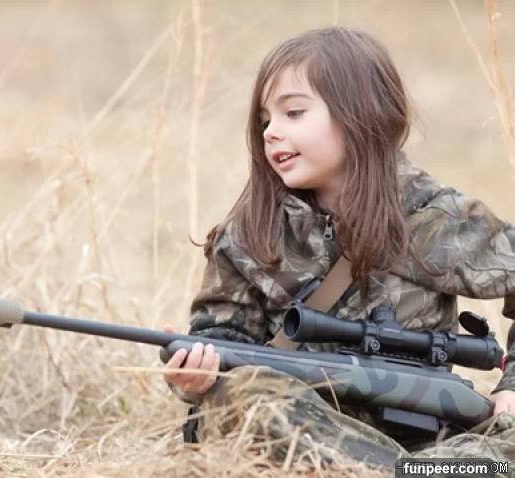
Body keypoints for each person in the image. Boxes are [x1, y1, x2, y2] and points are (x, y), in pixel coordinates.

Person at [162, 26, 515, 471]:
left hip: (430, 435)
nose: (271, 132)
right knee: (248, 400)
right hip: (307, 427)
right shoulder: (251, 231)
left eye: (293, 113)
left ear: (361, 113)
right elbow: (221, 340)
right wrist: (196, 379)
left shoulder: (436, 219)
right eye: (265, 120)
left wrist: (511, 386)